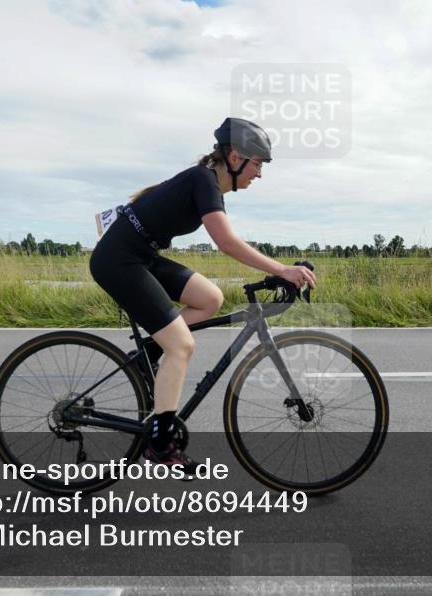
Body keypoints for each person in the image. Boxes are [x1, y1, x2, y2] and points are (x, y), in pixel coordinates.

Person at [89, 118, 317, 475]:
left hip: (140, 256)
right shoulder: (203, 180)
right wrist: (281, 270)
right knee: (181, 346)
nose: (259, 174)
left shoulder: (207, 183)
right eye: (258, 164)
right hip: (118, 261)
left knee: (210, 298)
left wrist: (280, 270)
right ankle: (159, 445)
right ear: (236, 157)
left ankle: (148, 354)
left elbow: (227, 240)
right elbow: (226, 242)